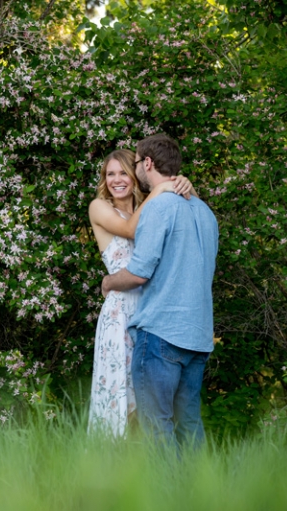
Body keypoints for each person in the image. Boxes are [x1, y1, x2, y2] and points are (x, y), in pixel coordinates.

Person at [101, 134, 218, 450]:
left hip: (162, 334)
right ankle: (201, 495)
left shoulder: (158, 207)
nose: (135, 168)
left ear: (148, 163)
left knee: (156, 426)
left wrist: (108, 282)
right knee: (189, 423)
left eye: (136, 162)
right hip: (198, 336)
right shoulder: (206, 212)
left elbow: (139, 272)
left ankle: (167, 498)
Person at [87, 148, 195, 437]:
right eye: (110, 174)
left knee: (148, 399)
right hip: (120, 313)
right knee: (118, 395)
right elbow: (129, 230)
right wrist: (161, 189)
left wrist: (184, 186)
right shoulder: (99, 207)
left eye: (123, 172)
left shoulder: (152, 206)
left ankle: (143, 473)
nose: (117, 180)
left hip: (151, 311)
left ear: (136, 175)